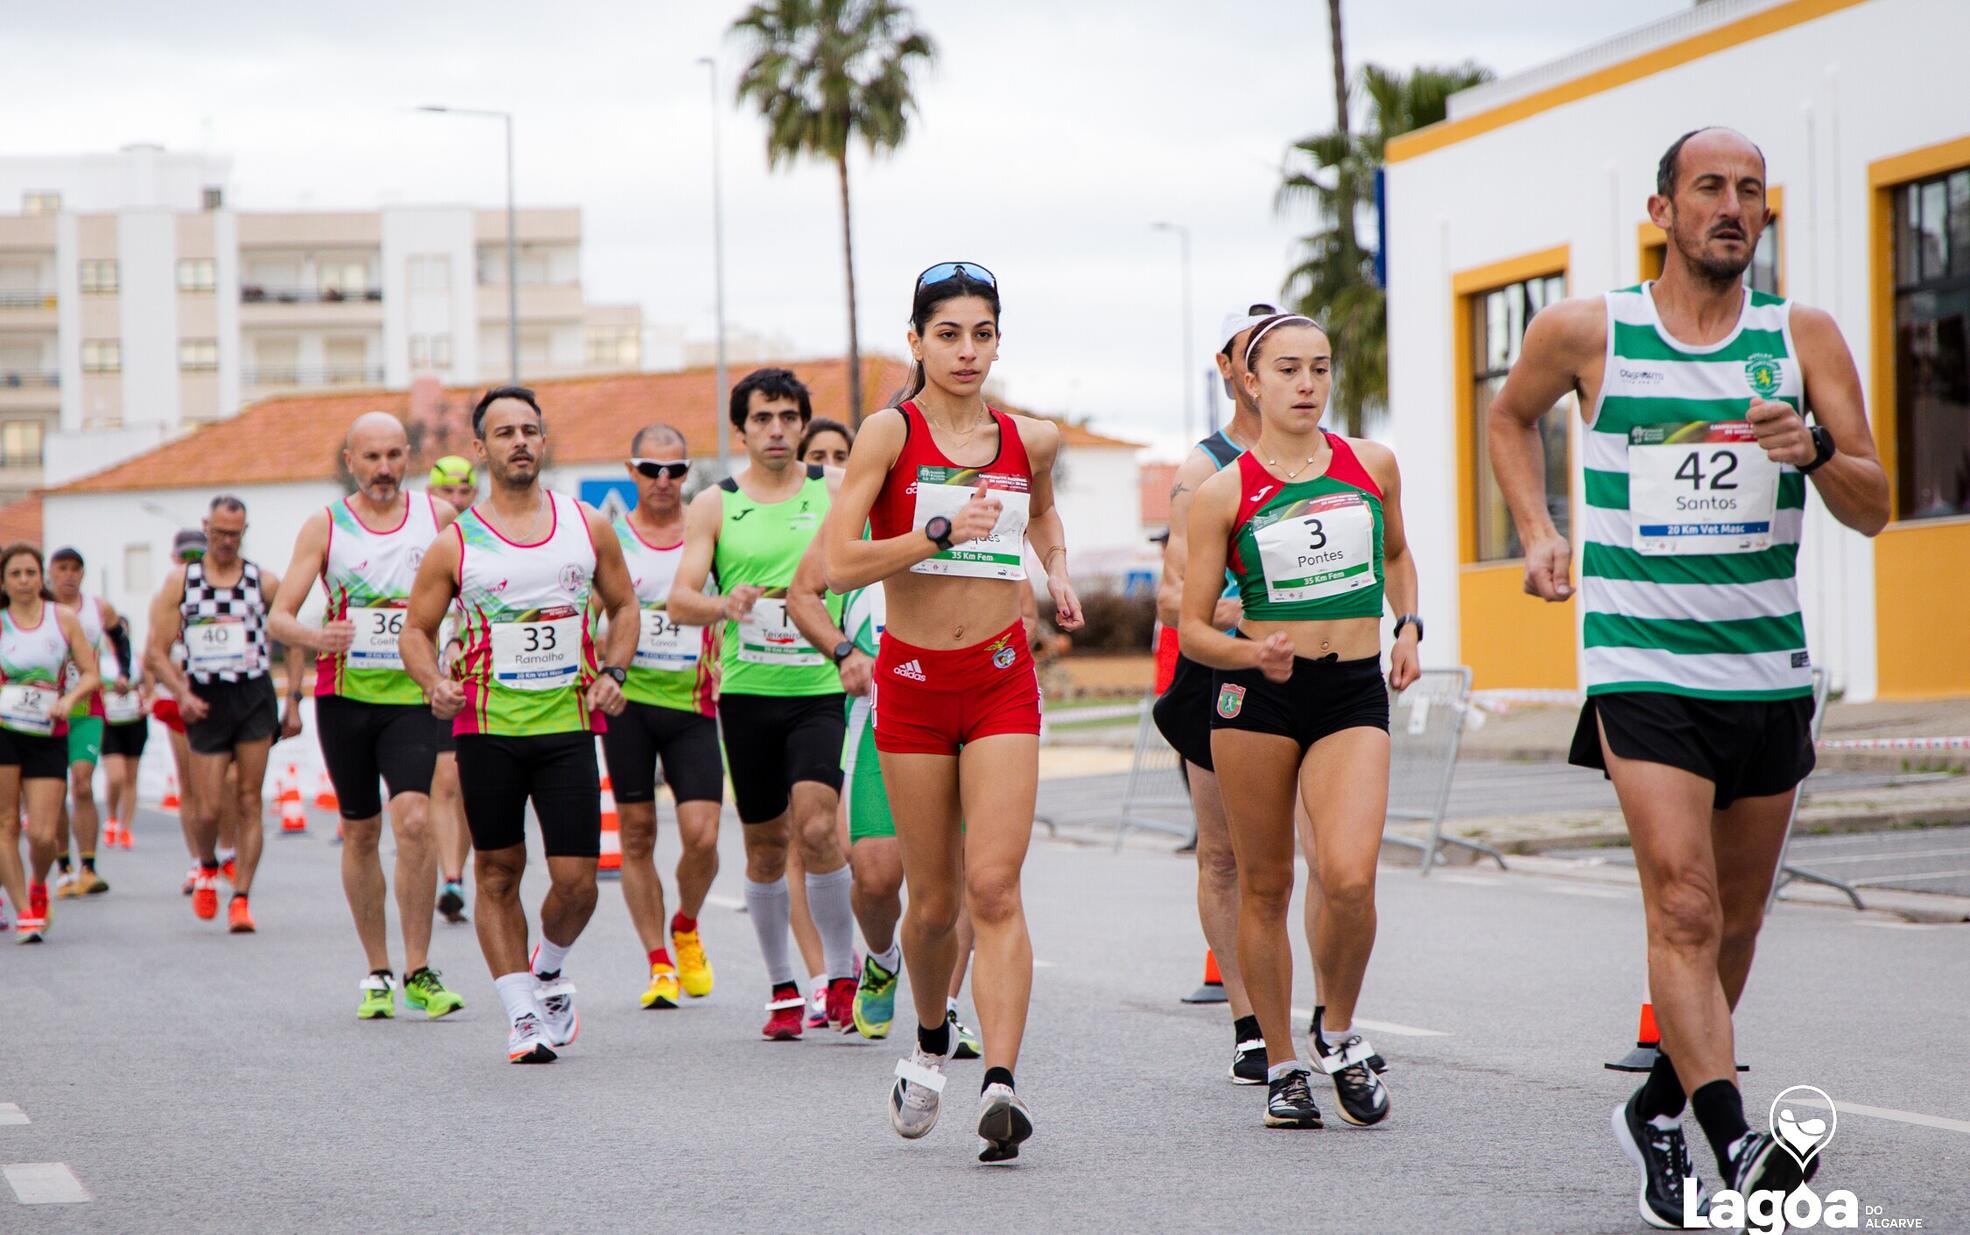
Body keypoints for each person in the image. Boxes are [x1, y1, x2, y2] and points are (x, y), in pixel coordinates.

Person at [1485, 128, 1888, 1225]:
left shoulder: (1799, 336)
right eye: (1708, 187)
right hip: (1638, 660)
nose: (1731, 205)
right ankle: (1731, 1134)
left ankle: (1657, 1106)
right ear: (1660, 209)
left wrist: (1810, 445)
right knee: (1683, 900)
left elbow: (1872, 500)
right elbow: (1507, 414)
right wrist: (1534, 529)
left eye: (1749, 191)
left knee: (1738, 921)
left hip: (1763, 666)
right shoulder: (1587, 329)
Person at [821, 262, 1083, 1163]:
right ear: (917, 341)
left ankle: (1001, 1082)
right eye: (948, 334)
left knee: (994, 887)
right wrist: (933, 532)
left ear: (999, 339)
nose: (967, 351)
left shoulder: (1029, 438)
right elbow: (833, 562)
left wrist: (1056, 568)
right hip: (914, 687)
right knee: (930, 906)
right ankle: (931, 1040)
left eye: (982, 333)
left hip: (1004, 675)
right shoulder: (888, 435)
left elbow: (1041, 511)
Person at [1179, 313, 1418, 1131]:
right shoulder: (1223, 492)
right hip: (1259, 698)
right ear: (1252, 381)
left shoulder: (1370, 464)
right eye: (1287, 370)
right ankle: (1281, 1061)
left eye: (1319, 367)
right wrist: (1250, 655)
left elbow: (1395, 556)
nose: (1307, 384)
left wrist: (1410, 625)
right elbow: (1194, 629)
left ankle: (1339, 1031)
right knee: (1268, 882)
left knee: (1349, 874)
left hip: (1352, 688)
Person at [402, 386, 639, 1064]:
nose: (519, 441)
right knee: (498, 870)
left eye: (530, 429)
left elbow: (624, 607)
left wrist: (614, 674)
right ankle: (521, 1015)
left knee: (578, 883)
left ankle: (549, 966)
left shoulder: (586, 524)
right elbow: (417, 631)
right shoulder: (455, 543)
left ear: (543, 439)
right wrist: (433, 682)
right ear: (480, 448)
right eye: (504, 432)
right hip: (486, 727)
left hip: (566, 723)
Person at [667, 368, 861, 1042]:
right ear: (741, 429)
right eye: (762, 418)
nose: (776, 429)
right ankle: (783, 983)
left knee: (817, 826)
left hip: (820, 687)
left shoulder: (834, 491)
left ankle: (840, 970)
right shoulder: (715, 504)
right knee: (765, 847)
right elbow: (679, 599)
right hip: (748, 692)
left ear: (805, 424)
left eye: (787, 416)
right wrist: (727, 603)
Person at [269, 412, 467, 1020]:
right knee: (361, 831)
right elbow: (280, 616)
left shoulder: (439, 518)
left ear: (407, 456)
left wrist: (452, 657)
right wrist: (315, 635)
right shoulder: (325, 527)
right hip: (346, 698)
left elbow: (472, 601)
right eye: (370, 458)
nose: (383, 469)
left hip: (413, 696)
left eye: (392, 455)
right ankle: (377, 971)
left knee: (413, 819)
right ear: (349, 461)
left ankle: (419, 970)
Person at [1152, 303, 1277, 1086]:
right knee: (1226, 854)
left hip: (1313, 675)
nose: (1279, 368)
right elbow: (1172, 594)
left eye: (1294, 354)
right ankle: (1249, 1020)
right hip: (1222, 672)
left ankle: (1331, 1013)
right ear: (1232, 370)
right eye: (1254, 352)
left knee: (1318, 858)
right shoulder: (1203, 469)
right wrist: (1236, 610)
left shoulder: (1336, 459)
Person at [598, 424, 724, 1010]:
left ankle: (687, 924)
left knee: (702, 835)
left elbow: (729, 605)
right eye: (651, 470)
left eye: (675, 470)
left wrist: (727, 655)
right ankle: (658, 965)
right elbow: (585, 613)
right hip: (631, 705)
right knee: (639, 833)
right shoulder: (614, 539)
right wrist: (598, 675)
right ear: (632, 473)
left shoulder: (709, 532)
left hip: (694, 702)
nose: (664, 481)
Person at [146, 496, 301, 934]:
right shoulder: (182, 581)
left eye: (235, 533)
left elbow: (292, 639)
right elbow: (155, 654)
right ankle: (208, 866)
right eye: (219, 533)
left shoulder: (262, 581)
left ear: (244, 531)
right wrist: (182, 695)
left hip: (252, 695)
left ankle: (242, 899)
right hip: (204, 698)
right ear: (206, 528)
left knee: (250, 799)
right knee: (209, 806)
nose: (227, 541)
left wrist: (293, 701)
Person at [0, 544, 101, 942]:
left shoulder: (62, 618)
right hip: (5, 731)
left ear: (41, 577)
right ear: (4, 583)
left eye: (30, 572)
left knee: (43, 834)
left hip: (48, 732)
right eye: (16, 574)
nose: (24, 580)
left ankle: (40, 882)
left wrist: (69, 700)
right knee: (7, 823)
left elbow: (90, 674)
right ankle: (24, 909)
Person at [46, 547, 126, 899]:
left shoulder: (97, 608)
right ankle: (63, 867)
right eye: (62, 568)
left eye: (76, 569)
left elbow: (119, 635)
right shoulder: (40, 609)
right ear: (50, 572)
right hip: (47, 713)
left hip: (87, 710)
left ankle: (89, 867)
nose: (69, 575)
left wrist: (123, 672)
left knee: (81, 783)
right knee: (56, 791)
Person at [425, 456, 479, 923]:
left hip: (458, 676)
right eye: (448, 493)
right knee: (430, 790)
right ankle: (444, 871)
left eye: (465, 493)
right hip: (413, 673)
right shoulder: (421, 540)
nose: (456, 502)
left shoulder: (480, 540)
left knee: (452, 781)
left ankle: (452, 878)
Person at [100, 662, 150, 854]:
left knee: (131, 776)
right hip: (110, 720)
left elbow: (150, 681)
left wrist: (145, 694)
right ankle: (112, 818)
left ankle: (126, 827)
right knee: (116, 776)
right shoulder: (99, 654)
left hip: (134, 719)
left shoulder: (137, 655)